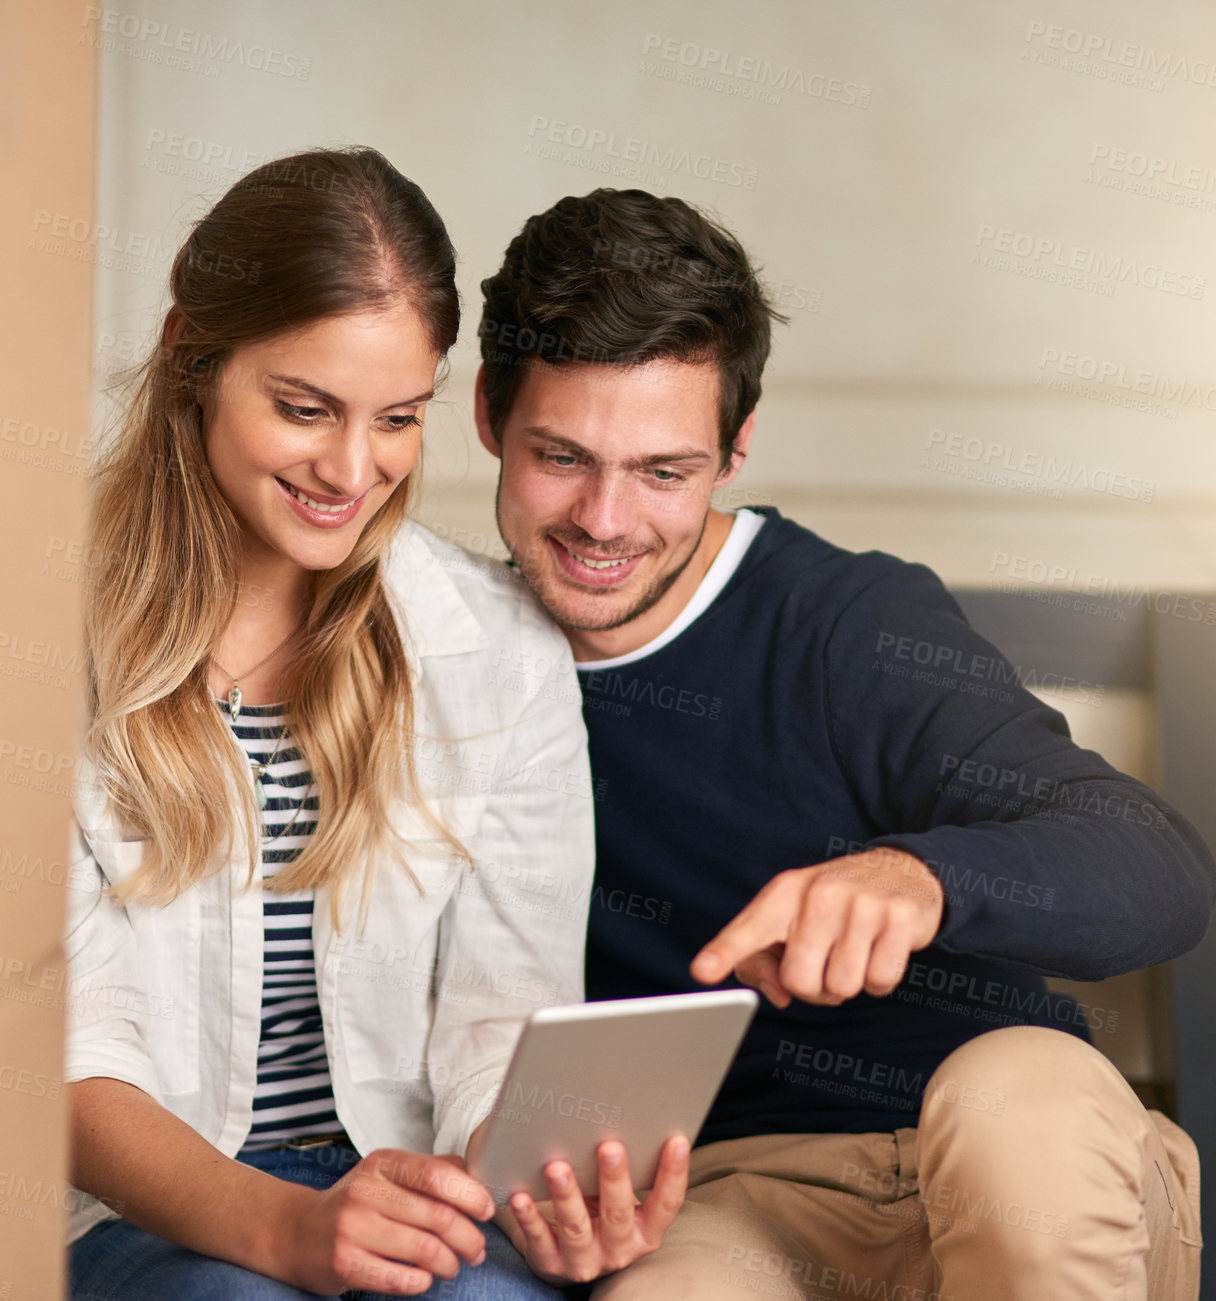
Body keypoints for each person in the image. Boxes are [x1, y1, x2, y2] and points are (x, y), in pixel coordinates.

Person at [471, 187, 1215, 1299]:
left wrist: (919, 878)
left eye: (664, 471)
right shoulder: (441, 661)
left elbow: (1157, 866)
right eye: (562, 455)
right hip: (742, 1199)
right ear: (488, 413)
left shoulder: (849, 626)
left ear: (736, 448)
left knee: (1016, 1116)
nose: (606, 520)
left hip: (1011, 1141)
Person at [62, 147, 684, 1301]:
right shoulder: (36, 641)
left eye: (398, 417)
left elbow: (503, 1013)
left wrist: (538, 1178)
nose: (355, 469)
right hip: (145, 1208)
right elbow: (68, 1064)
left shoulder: (498, 652)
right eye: (305, 408)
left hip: (410, 1189)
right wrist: (289, 1228)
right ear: (190, 358)